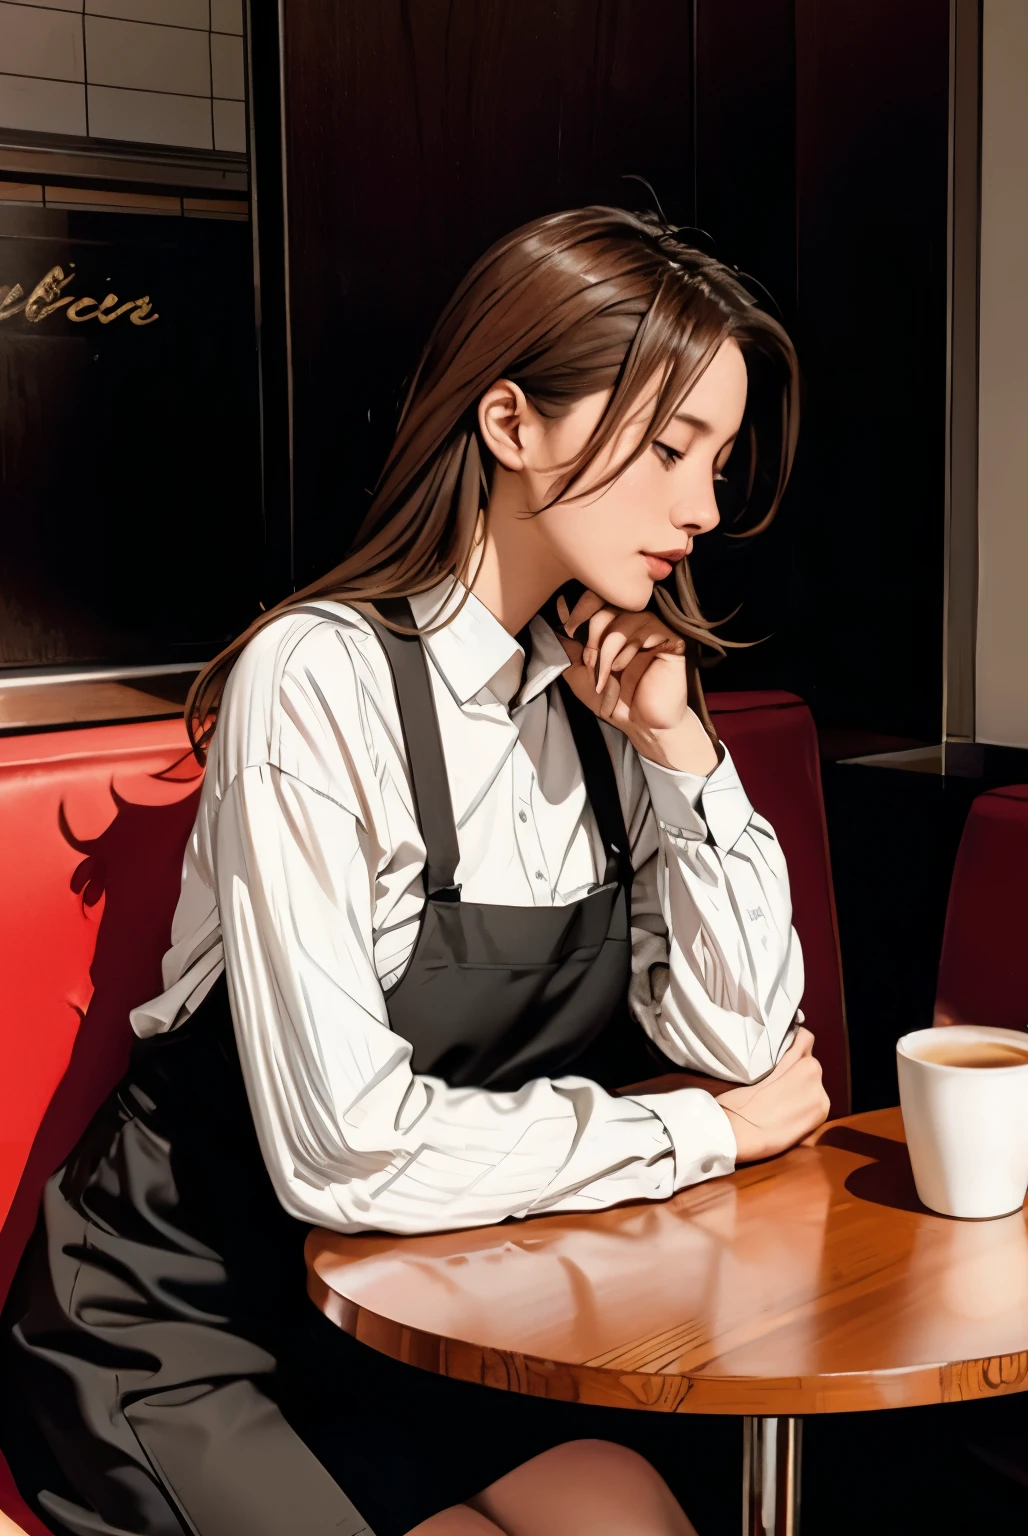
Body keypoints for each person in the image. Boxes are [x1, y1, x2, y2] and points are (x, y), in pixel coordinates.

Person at [0, 207, 829, 1536]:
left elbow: (743, 1043)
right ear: (510, 424)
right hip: (186, 1325)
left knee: (639, 1521)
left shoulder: (606, 704)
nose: (704, 506)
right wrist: (699, 1135)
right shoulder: (317, 679)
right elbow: (347, 1151)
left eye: (720, 461)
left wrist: (680, 749)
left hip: (416, 1313)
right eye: (673, 448)